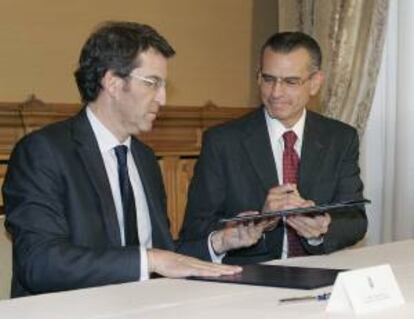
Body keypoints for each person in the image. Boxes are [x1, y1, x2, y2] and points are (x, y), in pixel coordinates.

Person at [2, 21, 247, 298]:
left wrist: (220, 241)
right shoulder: (43, 152)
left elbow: (162, 253)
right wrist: (150, 260)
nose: (163, 99)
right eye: (153, 83)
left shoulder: (143, 158)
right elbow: (40, 264)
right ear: (113, 83)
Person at [180, 31, 368, 265]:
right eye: (268, 79)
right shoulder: (223, 142)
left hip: (323, 270)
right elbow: (193, 232)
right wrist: (259, 219)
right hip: (249, 278)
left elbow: (356, 219)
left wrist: (323, 226)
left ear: (315, 83)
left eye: (290, 81)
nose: (276, 93)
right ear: (258, 78)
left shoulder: (340, 138)